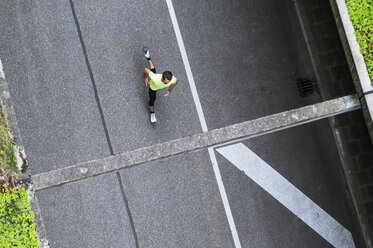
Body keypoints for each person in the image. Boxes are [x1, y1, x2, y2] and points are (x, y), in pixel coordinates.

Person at [143, 47, 178, 123]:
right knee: (152, 100)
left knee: (153, 70)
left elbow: (175, 82)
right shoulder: (155, 78)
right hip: (153, 88)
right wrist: (145, 78)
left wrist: (169, 90)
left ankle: (148, 57)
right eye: (166, 82)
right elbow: (145, 70)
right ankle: (152, 113)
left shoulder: (172, 79)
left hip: (157, 82)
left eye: (169, 82)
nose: (168, 83)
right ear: (162, 78)